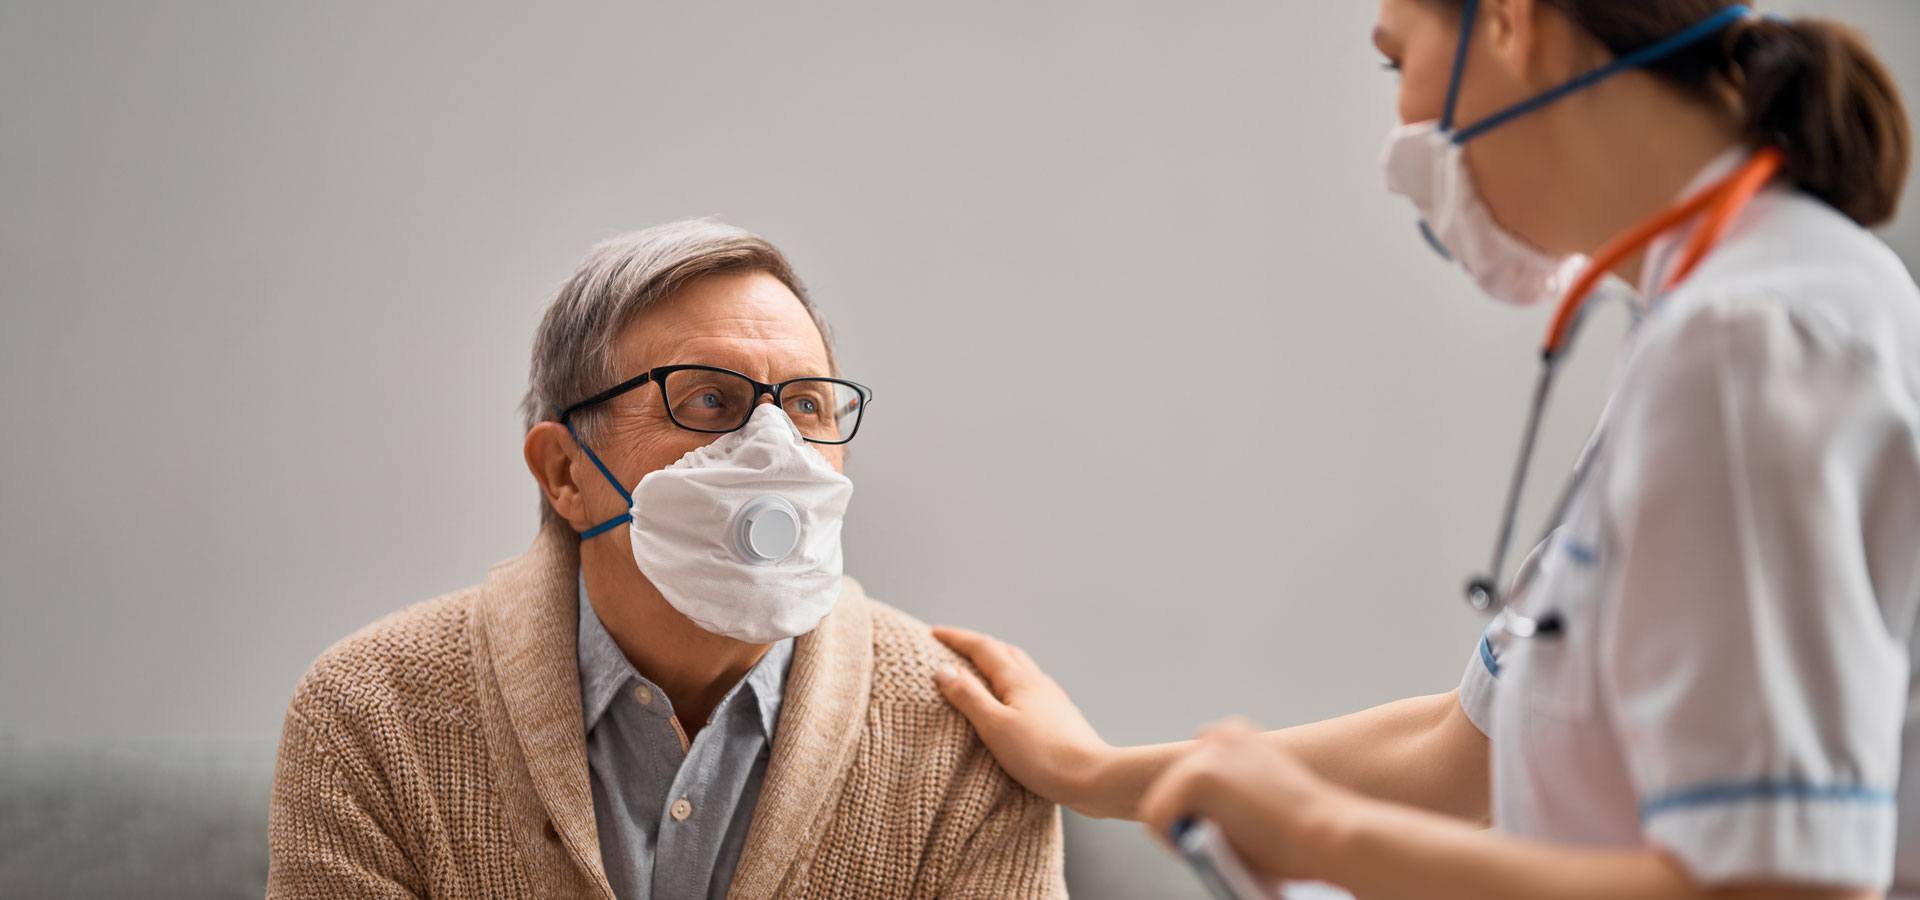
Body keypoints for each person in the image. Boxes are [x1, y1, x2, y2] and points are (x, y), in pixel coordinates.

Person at [932, 1, 1919, 898]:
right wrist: (1092, 774)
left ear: (1509, 24)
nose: (1402, 132)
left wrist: (1322, 836)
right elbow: (1468, 751)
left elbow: (1777, 889)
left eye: (1396, 61)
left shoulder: (1748, 337)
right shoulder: (1719, 317)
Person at [267, 219, 1066, 899]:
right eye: (710, 400)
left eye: (808, 405)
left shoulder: (966, 738)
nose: (774, 449)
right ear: (566, 473)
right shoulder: (372, 721)